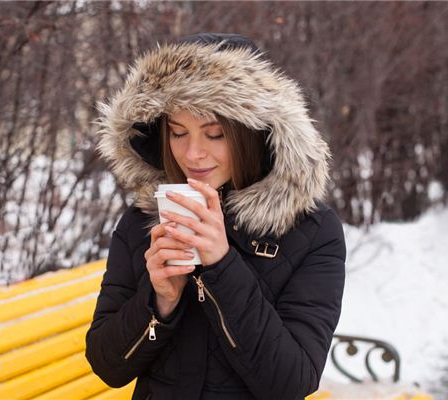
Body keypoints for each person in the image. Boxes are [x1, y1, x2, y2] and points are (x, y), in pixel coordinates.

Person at [86, 32, 346, 400]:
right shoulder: (143, 221)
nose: (192, 154)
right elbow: (108, 365)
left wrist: (221, 266)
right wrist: (160, 300)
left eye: (215, 134)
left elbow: (292, 381)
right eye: (178, 132)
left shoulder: (311, 230)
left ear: (253, 134)